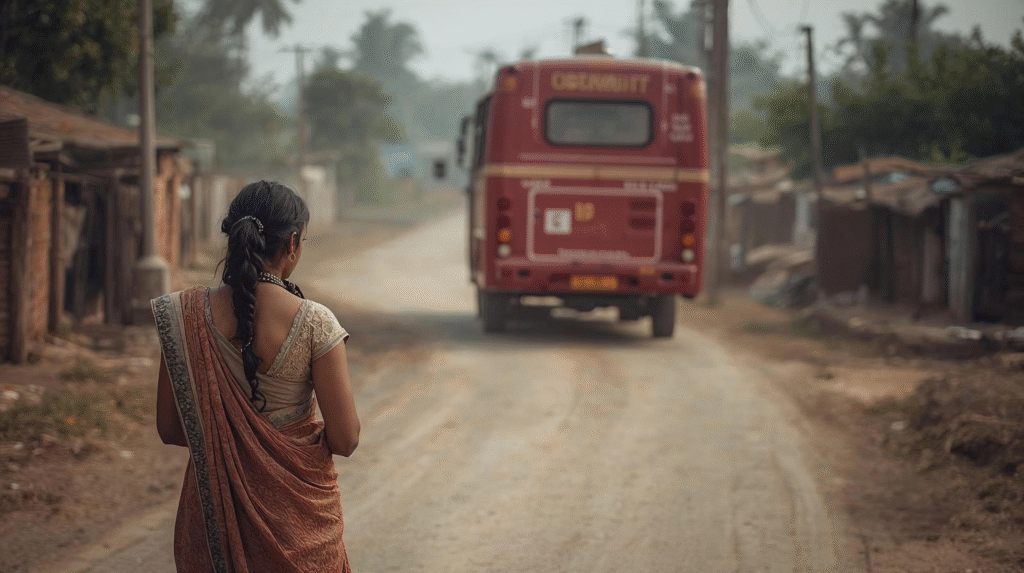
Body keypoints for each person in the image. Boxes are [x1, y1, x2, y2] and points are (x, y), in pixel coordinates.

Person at [152, 180, 360, 573]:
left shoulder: (183, 316)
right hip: (298, 525)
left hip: (211, 514)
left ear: (233, 236)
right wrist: (286, 446)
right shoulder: (316, 323)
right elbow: (346, 440)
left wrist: (228, 444)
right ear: (292, 243)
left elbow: (170, 429)